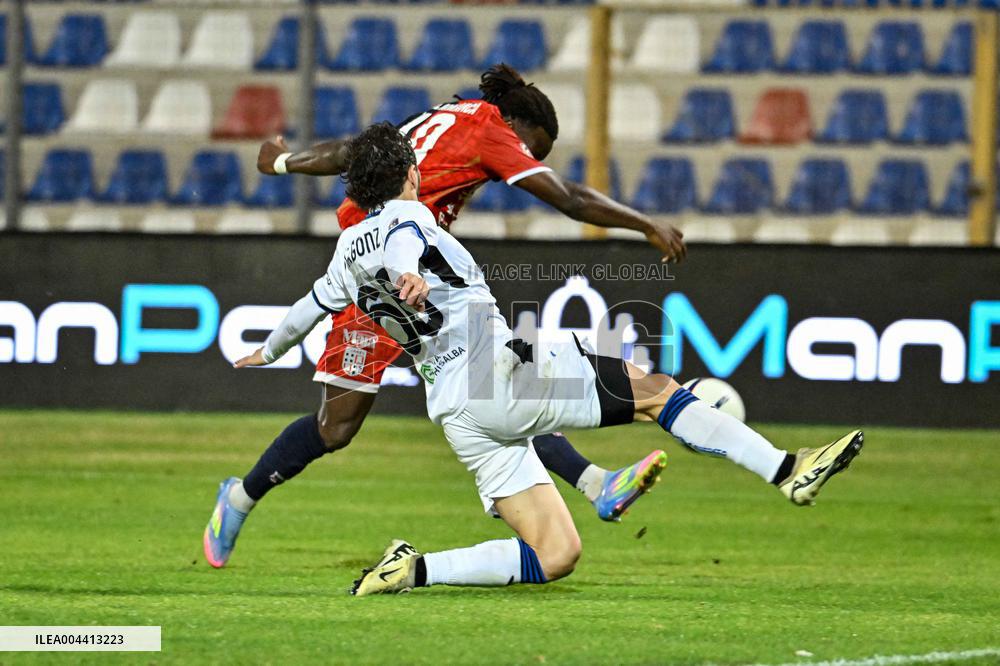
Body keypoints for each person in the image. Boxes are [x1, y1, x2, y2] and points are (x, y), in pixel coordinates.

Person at [232, 123, 864, 595]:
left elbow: (308, 308)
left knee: (555, 552)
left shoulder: (346, 248)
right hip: (497, 368)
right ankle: (787, 469)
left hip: (454, 410)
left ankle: (412, 570)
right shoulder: (410, 216)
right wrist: (406, 273)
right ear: (410, 173)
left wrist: (270, 350)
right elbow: (402, 242)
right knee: (656, 391)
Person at [204, 64, 686, 568]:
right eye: (530, 149)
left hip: (425, 279)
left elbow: (354, 151)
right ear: (516, 124)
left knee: (498, 380)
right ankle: (238, 498)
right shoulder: (487, 130)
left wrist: (284, 163)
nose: (524, 161)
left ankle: (595, 484)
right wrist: (645, 223)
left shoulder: (441, 115)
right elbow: (569, 197)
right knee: (336, 427)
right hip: (375, 277)